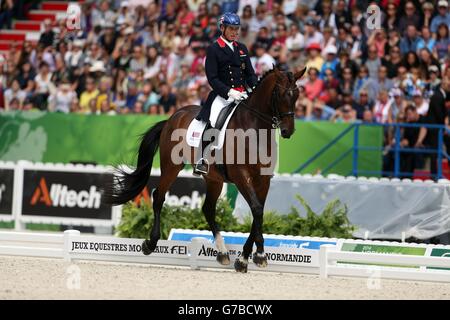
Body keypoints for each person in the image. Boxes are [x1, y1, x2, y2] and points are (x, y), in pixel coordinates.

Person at [194, 12, 258, 175]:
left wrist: (255, 89)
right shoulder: (214, 49)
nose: (235, 32)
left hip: (243, 94)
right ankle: (202, 159)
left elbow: (250, 74)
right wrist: (230, 92)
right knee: (214, 120)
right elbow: (212, 78)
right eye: (231, 29)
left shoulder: (242, 49)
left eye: (237, 29)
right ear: (222, 28)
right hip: (223, 95)